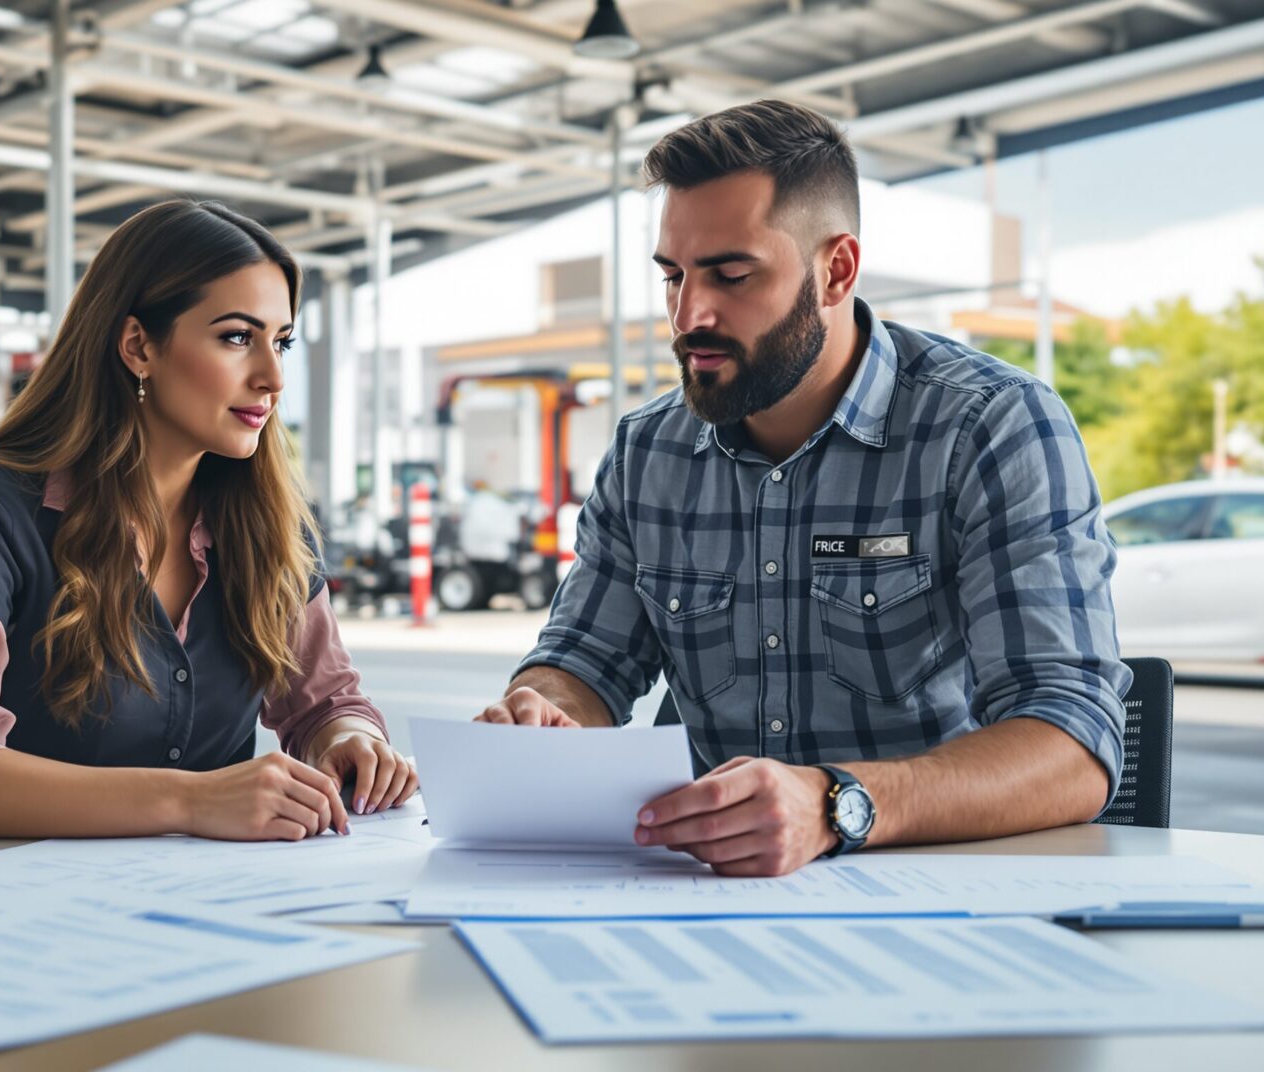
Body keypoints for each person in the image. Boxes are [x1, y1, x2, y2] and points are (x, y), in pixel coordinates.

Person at [476, 101, 1129, 877]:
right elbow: (584, 664)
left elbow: (1073, 740)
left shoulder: (991, 426)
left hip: (936, 891)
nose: (690, 315)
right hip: (708, 898)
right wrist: (545, 711)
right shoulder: (648, 450)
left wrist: (833, 807)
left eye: (731, 273)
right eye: (673, 276)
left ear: (837, 271)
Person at [0, 199, 417, 841]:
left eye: (281, 341)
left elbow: (325, 702)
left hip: (203, 911)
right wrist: (189, 802)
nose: (272, 376)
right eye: (237, 337)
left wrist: (350, 739)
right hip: (7, 906)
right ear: (138, 346)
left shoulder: (268, 523)